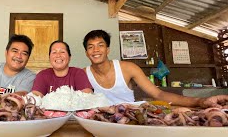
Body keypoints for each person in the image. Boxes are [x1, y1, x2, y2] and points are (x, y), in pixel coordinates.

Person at [83, 29, 228, 108]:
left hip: (130, 119)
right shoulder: (83, 74)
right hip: (99, 122)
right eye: (91, 47)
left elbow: (158, 95)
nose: (96, 50)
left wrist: (200, 101)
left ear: (107, 49)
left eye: (100, 45)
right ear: (86, 53)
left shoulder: (128, 68)